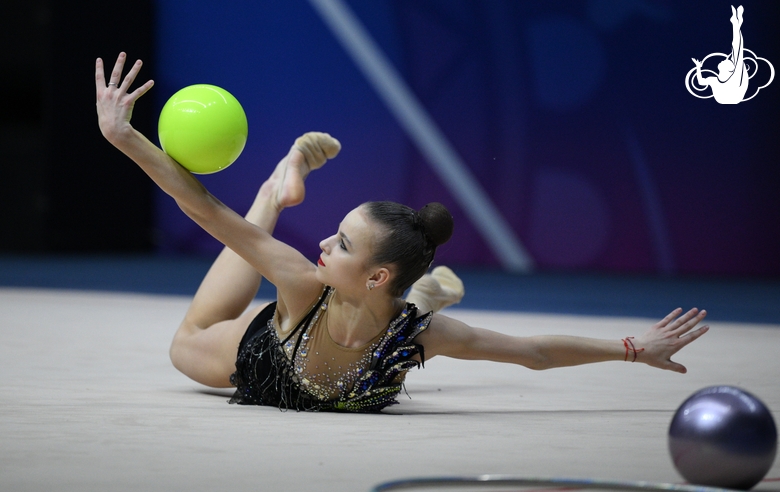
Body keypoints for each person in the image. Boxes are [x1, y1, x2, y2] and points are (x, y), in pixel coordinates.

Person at [95, 52, 709, 413]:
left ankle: (417, 281)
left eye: (339, 244)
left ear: (378, 273)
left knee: (402, 313)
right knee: (187, 344)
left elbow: (533, 353)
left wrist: (634, 349)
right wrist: (125, 139)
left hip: (379, 314)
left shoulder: (421, 333)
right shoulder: (302, 284)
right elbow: (205, 210)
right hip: (269, 357)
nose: (323, 246)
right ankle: (273, 191)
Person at [692, 5, 748, 104]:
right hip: (729, 97)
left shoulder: (731, 77)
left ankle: (736, 24)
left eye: (726, 61)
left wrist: (698, 67)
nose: (724, 59)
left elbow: (738, 49)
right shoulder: (715, 80)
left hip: (733, 96)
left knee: (737, 51)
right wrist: (698, 67)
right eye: (727, 60)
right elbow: (701, 82)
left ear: (729, 69)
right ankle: (736, 24)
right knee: (737, 52)